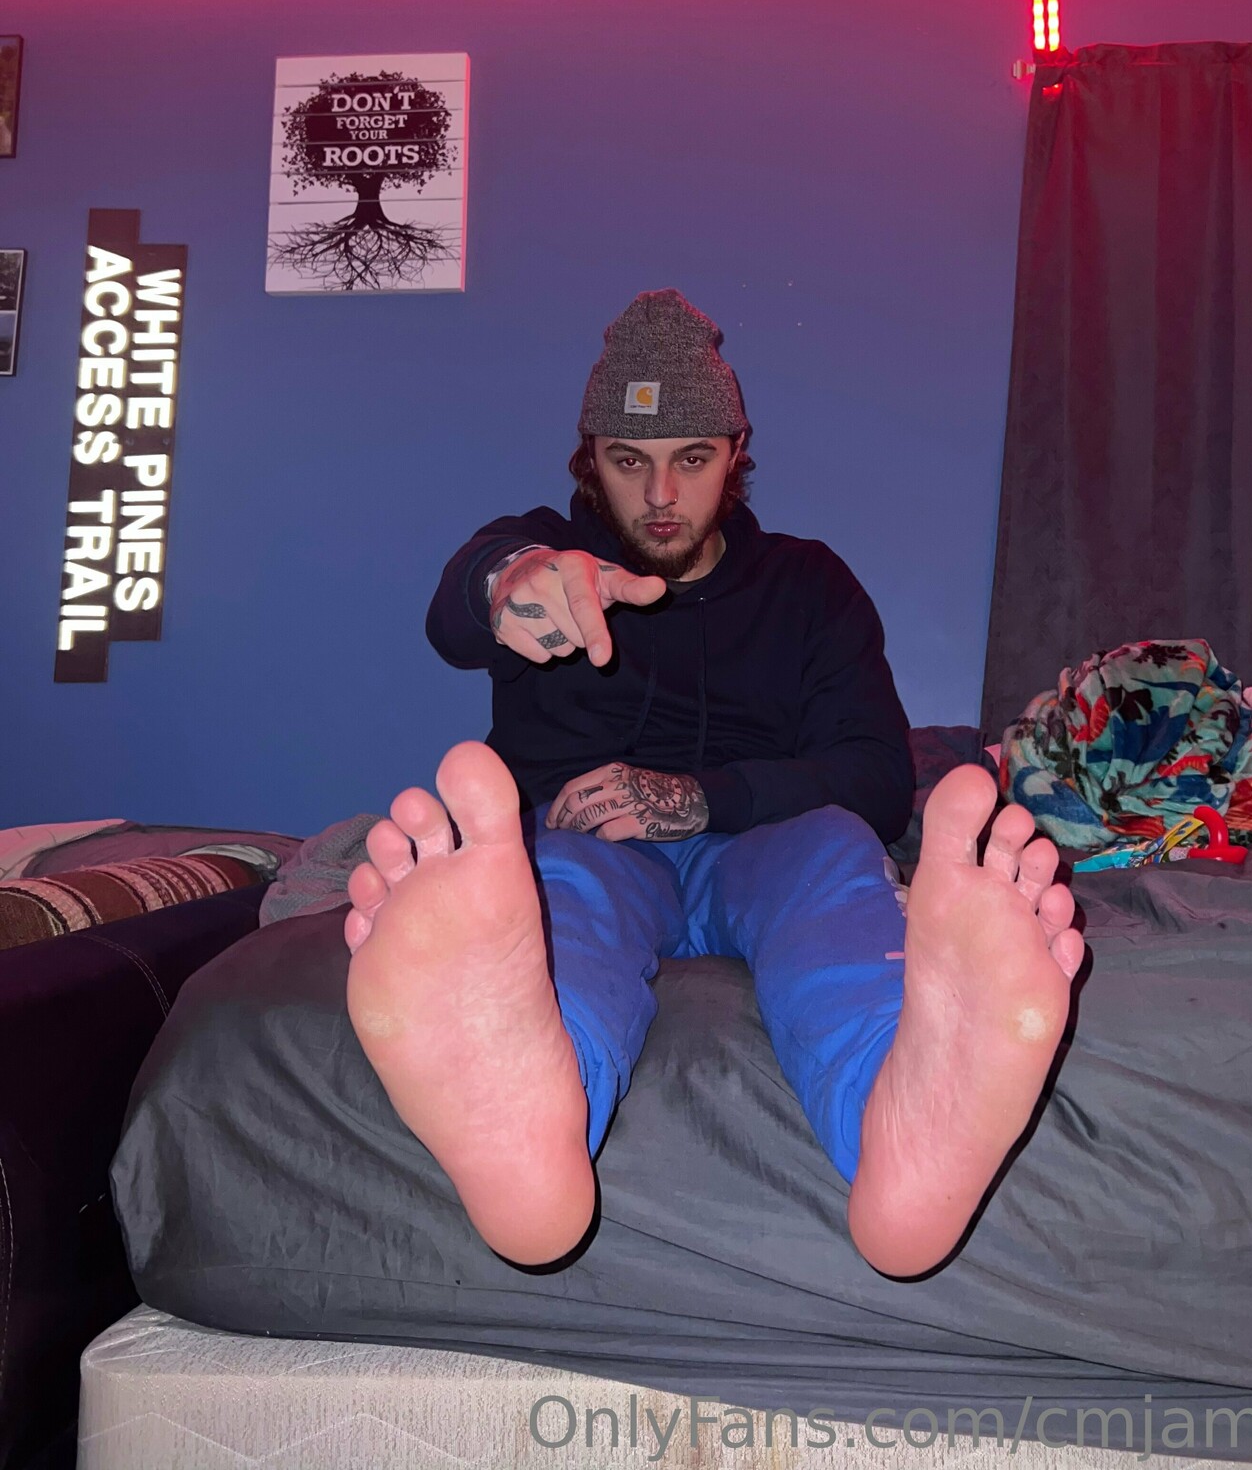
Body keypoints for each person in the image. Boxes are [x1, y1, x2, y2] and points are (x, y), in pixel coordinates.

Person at [343, 290, 1085, 1278]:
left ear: (736, 453)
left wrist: (700, 799)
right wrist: (507, 581)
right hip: (588, 844)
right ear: (588, 458)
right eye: (628, 460)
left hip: (761, 842)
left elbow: (875, 776)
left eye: (691, 459)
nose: (660, 494)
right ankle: (527, 1118)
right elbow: (460, 607)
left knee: (835, 855)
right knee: (553, 891)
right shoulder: (550, 558)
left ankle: (906, 1106)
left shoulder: (810, 586)